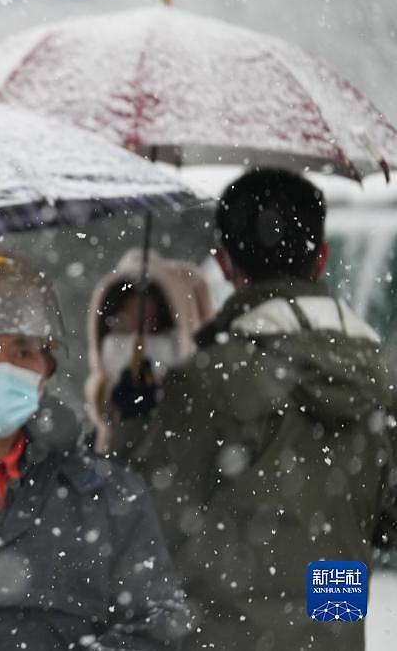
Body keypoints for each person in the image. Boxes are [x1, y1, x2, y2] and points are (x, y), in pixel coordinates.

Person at [131, 167, 397, 650]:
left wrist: (132, 422)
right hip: (335, 633)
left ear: (225, 262)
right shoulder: (380, 377)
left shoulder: (211, 378)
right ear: (322, 260)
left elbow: (147, 521)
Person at [0, 256, 193, 650]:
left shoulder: (109, 494)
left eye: (22, 351)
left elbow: (161, 621)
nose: (3, 366)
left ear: (46, 368)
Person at [84, 249, 212, 456]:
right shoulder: (85, 437)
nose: (137, 342)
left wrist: (135, 427)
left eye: (153, 328)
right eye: (122, 325)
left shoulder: (206, 428)